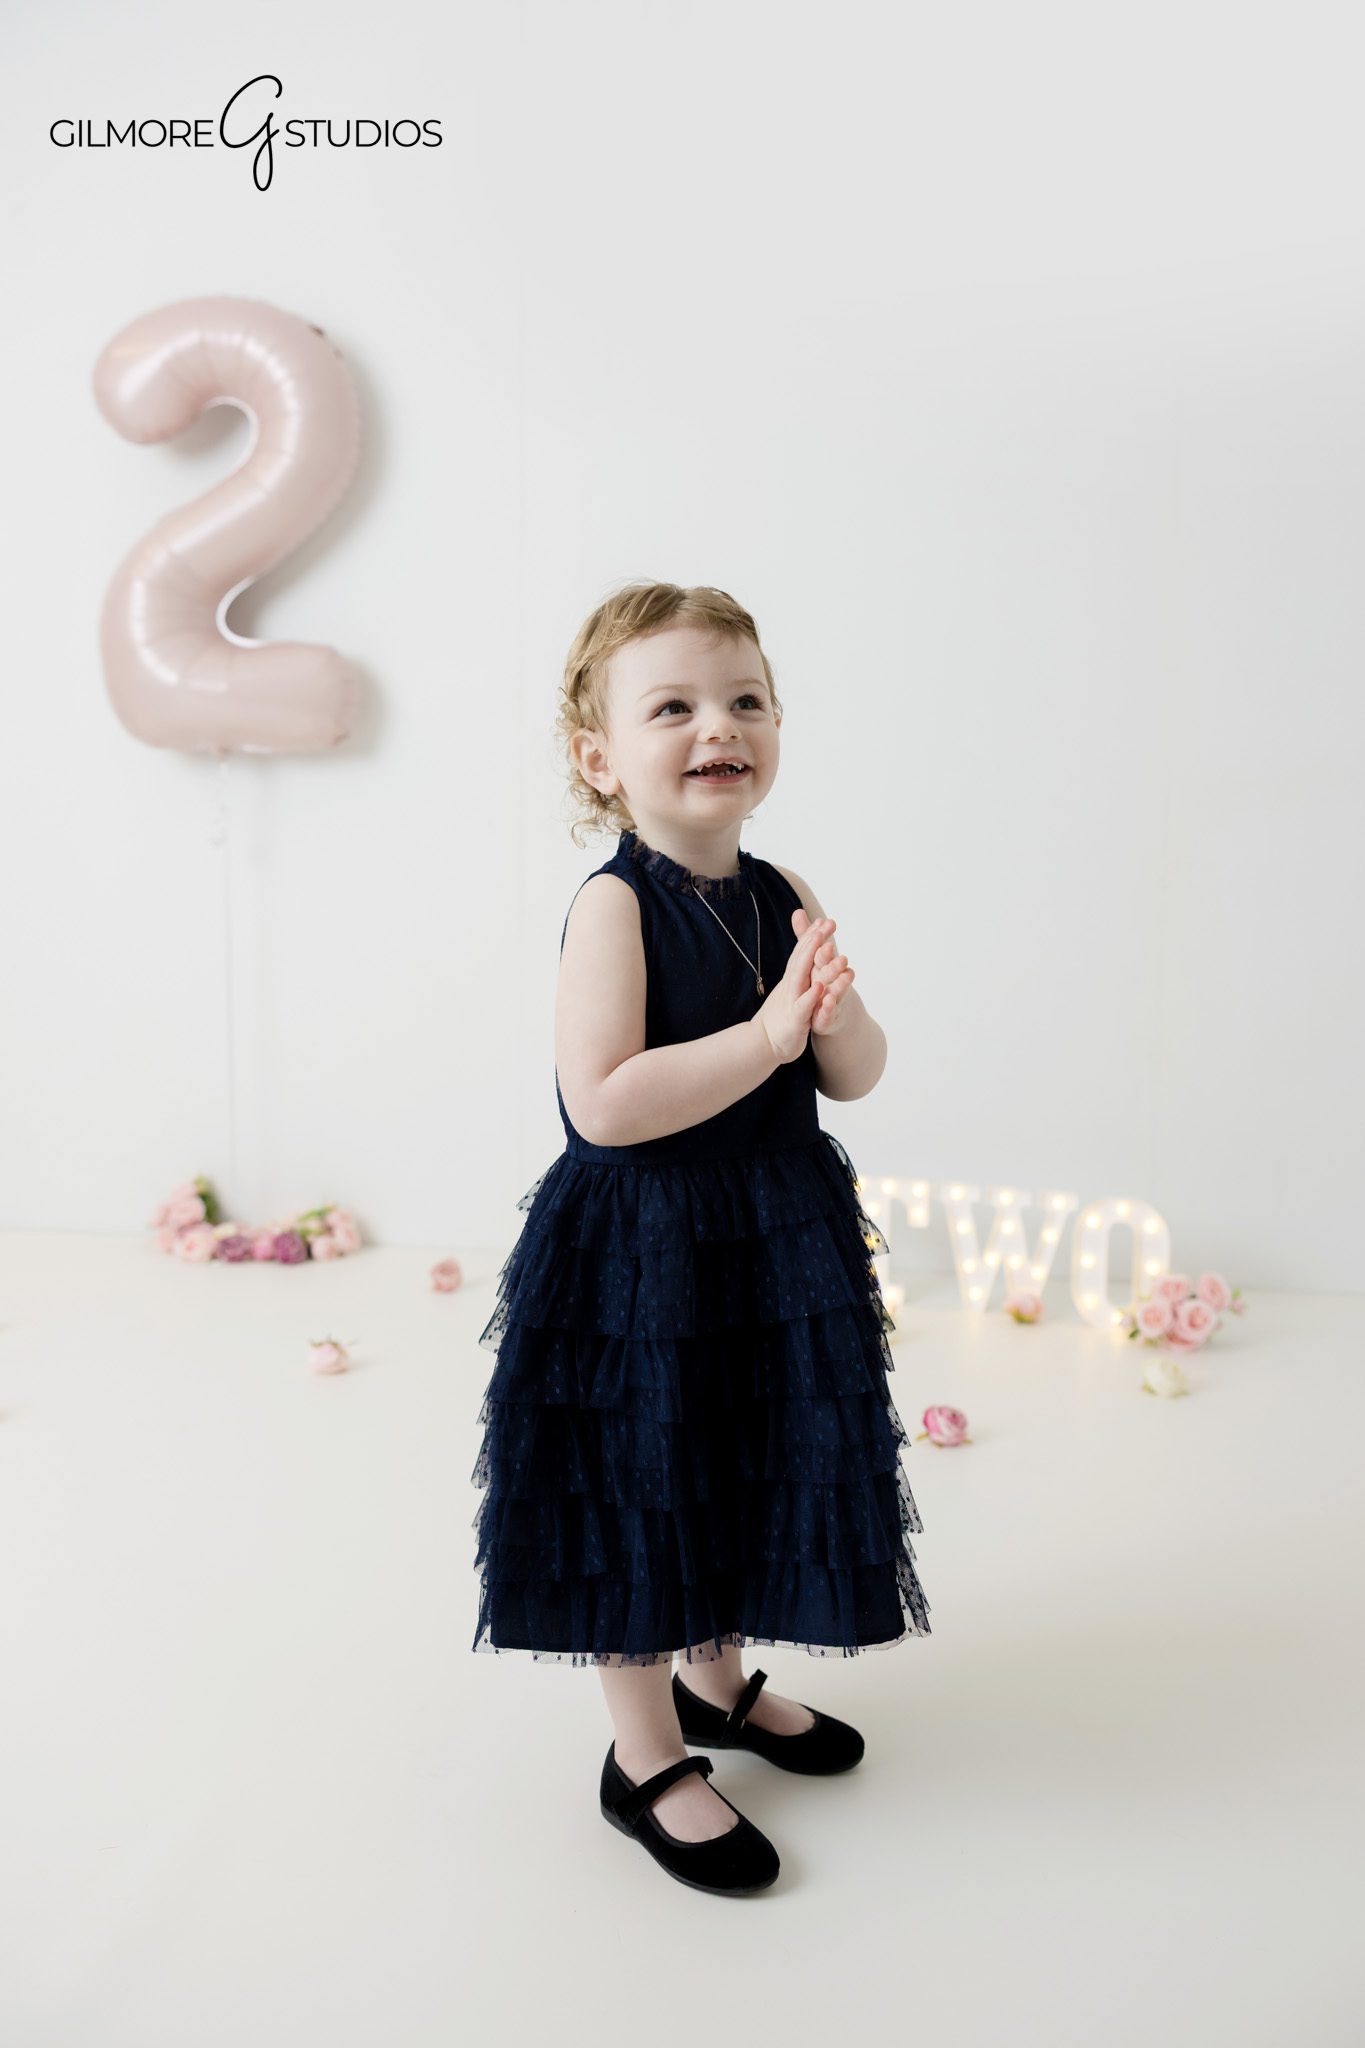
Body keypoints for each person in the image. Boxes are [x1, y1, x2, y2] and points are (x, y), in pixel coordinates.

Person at [470, 581, 931, 1894]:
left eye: (744, 701)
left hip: (771, 1227)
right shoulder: (615, 908)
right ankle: (645, 1755)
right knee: (641, 1484)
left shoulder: (782, 884)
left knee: (747, 1455)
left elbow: (854, 1072)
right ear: (598, 756)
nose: (714, 725)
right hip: (647, 1245)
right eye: (669, 705)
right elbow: (603, 1107)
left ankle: (719, 1683)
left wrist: (825, 1018)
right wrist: (767, 1037)